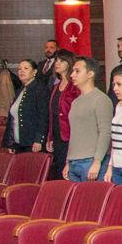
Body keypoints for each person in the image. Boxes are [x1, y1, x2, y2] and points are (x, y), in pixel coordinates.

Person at [65, 57, 113, 183]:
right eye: (73, 71)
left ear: (90, 74)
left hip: (91, 160)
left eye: (77, 71)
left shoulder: (101, 99)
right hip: (74, 162)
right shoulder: (75, 102)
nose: (72, 75)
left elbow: (105, 132)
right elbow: (74, 133)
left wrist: (97, 161)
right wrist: (68, 161)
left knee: (93, 195)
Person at [1, 58, 49, 154]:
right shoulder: (19, 91)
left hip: (33, 144)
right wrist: (10, 143)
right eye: (19, 69)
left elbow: (44, 117)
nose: (21, 71)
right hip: (18, 144)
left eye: (26, 68)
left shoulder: (40, 90)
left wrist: (39, 139)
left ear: (34, 72)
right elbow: (12, 120)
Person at [46, 50, 76, 179]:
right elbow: (52, 114)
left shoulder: (74, 86)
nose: (57, 63)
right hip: (57, 137)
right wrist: (50, 137)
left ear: (69, 63)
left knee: (68, 174)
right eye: (56, 60)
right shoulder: (56, 86)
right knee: (59, 172)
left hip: (71, 136)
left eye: (61, 61)